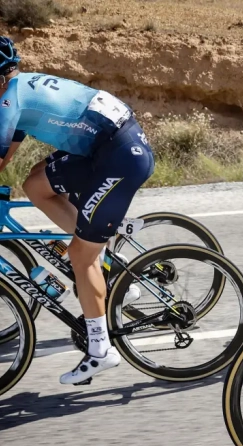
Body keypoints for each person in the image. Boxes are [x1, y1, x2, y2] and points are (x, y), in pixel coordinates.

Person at [0, 36, 155, 384]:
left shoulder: (8, 100)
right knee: (36, 184)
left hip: (118, 156)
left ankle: (101, 351)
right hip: (104, 149)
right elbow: (5, 157)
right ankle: (108, 270)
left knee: (80, 256)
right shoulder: (19, 92)